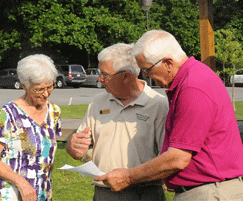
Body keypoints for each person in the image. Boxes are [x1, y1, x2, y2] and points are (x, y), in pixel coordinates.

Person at [94, 30, 243, 200]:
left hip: (209, 192)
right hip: (206, 190)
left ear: (168, 62)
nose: (146, 76)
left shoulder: (193, 88)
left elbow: (177, 158)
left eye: (147, 70)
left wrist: (128, 176)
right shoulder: (193, 79)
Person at [66, 43, 169, 201]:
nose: (100, 79)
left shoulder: (158, 105)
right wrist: (73, 147)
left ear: (126, 76)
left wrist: (130, 178)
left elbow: (167, 159)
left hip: (144, 194)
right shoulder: (98, 102)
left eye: (105, 75)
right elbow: (80, 149)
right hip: (104, 193)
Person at [0, 54, 61, 201]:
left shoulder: (54, 112)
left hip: (42, 194)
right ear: (24, 86)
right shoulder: (9, 113)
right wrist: (21, 183)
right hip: (10, 194)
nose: (46, 94)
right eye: (39, 89)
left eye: (50, 86)